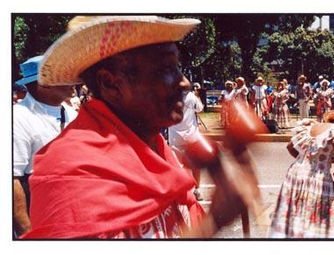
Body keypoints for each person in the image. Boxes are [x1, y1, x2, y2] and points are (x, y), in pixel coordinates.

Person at [22, 16, 258, 239]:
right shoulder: (70, 171)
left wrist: (218, 213)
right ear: (110, 82)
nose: (184, 82)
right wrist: (214, 222)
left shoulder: (155, 146)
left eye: (178, 67)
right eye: (166, 69)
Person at [12, 55, 78, 237]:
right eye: (64, 76)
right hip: (41, 221)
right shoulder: (17, 118)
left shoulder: (73, 114)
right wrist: (27, 233)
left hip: (75, 217)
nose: (72, 80)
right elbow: (12, 179)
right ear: (45, 84)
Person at [269, 110, 334, 238]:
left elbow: (290, 146)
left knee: (296, 214)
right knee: (316, 216)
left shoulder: (311, 127)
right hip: (318, 176)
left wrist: (305, 161)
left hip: (295, 174)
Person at [168, 82, 204, 201]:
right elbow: (200, 109)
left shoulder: (170, 97)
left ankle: (181, 191)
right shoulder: (192, 96)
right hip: (191, 136)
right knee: (195, 164)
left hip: (175, 135)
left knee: (178, 165)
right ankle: (197, 190)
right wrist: (197, 95)